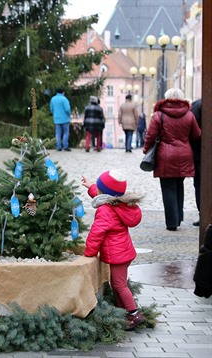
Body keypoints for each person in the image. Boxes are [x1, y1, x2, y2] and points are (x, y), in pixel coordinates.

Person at [81, 169, 145, 330]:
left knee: (119, 285)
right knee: (118, 283)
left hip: (118, 255)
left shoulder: (105, 210)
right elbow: (101, 193)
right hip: (124, 251)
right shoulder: (118, 202)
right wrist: (90, 186)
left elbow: (97, 233)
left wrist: (89, 253)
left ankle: (134, 313)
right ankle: (123, 311)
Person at [143, 88, 201, 231]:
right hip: (185, 153)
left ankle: (172, 222)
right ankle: (179, 217)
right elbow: (197, 135)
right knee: (179, 185)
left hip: (165, 154)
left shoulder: (159, 115)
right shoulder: (189, 115)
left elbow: (150, 135)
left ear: (167, 98)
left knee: (168, 187)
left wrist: (146, 150)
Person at [189, 98, 202, 226]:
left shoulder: (197, 105)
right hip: (199, 152)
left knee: (199, 185)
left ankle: (203, 214)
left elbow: (192, 130)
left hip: (199, 153)